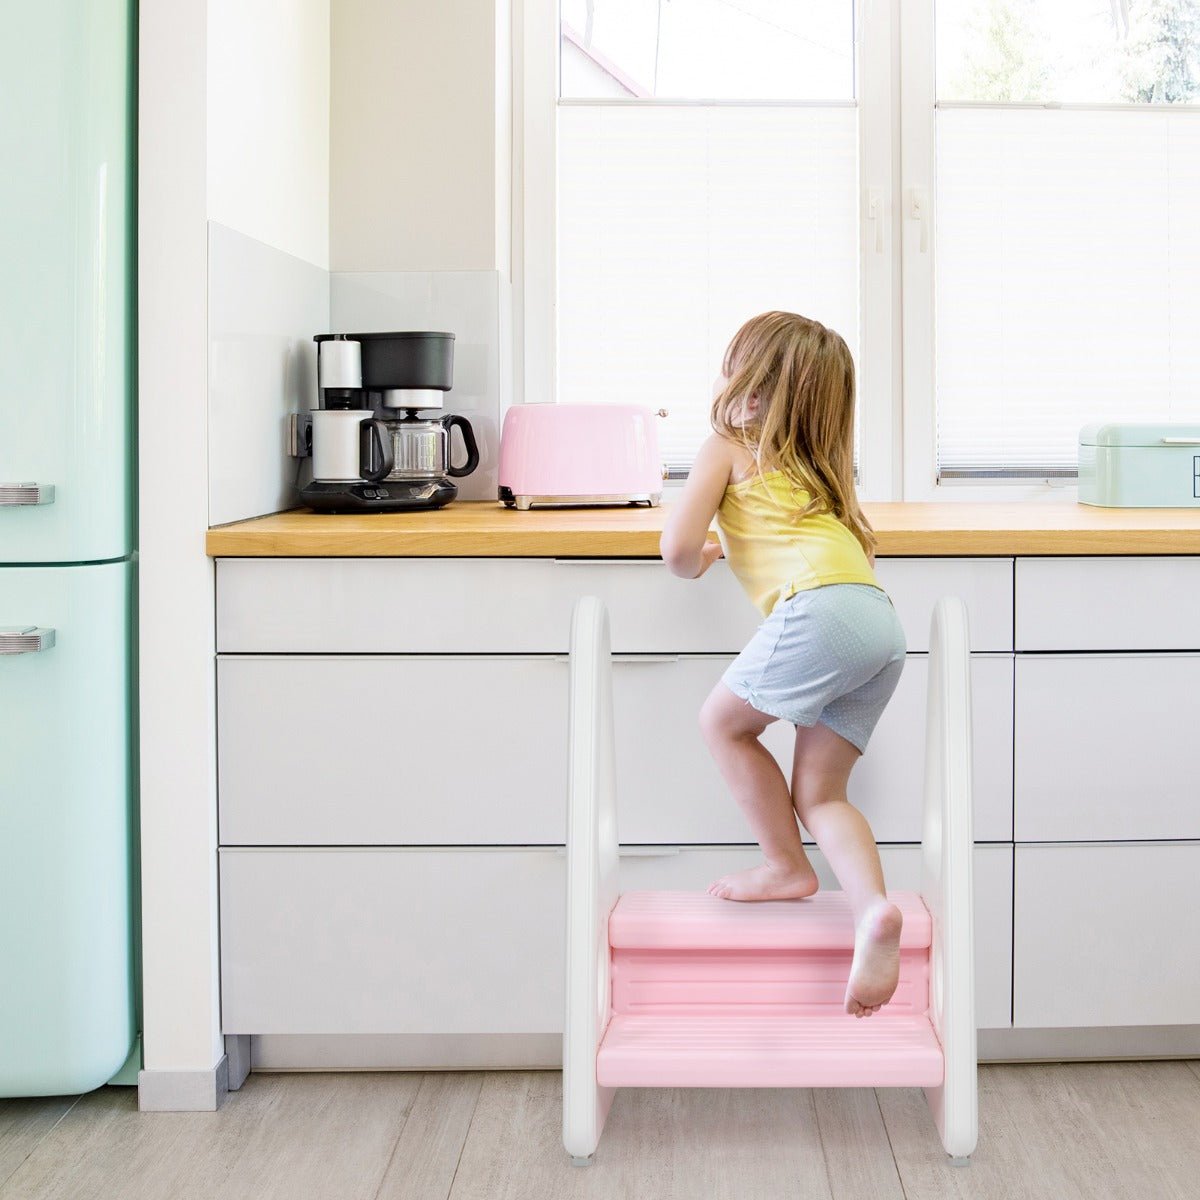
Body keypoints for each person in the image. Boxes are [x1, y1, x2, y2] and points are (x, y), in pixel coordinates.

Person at [660, 311, 907, 1018]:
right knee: (824, 794)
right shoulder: (821, 474)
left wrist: (703, 557)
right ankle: (873, 914)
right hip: (878, 625)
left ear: (754, 390)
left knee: (723, 724)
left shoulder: (726, 444)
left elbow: (676, 551)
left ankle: (785, 865)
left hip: (820, 612)